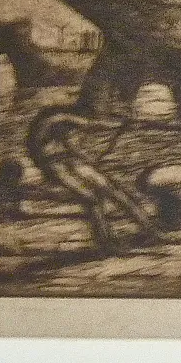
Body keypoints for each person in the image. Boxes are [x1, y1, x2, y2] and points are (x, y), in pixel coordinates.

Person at [25, 106, 165, 253]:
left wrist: (86, 158)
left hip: (70, 161)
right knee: (91, 199)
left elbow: (70, 144)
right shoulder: (56, 119)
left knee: (114, 191)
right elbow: (90, 125)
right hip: (54, 165)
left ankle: (151, 231)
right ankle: (106, 243)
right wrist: (121, 124)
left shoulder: (61, 123)